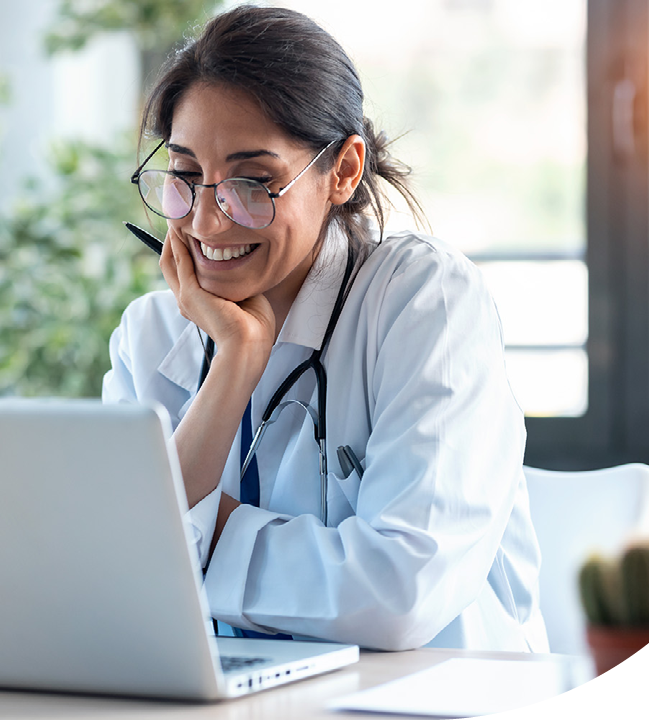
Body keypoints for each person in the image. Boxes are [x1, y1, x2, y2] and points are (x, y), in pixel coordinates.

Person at [103, 5, 548, 653]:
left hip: (435, 693)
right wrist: (235, 362)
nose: (208, 222)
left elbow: (400, 596)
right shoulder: (151, 336)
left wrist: (195, 537)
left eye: (253, 182)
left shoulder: (423, 301)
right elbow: (115, 578)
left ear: (342, 171)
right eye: (186, 176)